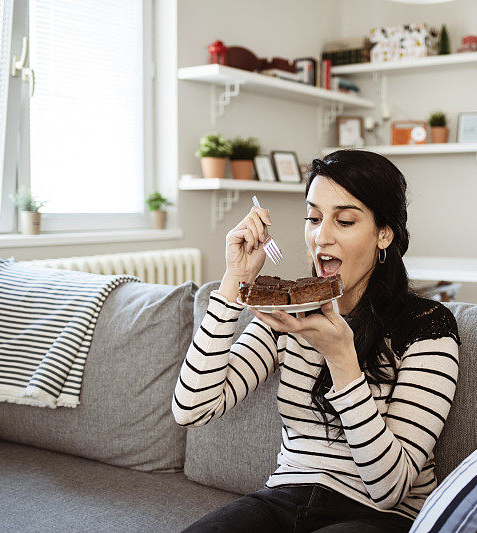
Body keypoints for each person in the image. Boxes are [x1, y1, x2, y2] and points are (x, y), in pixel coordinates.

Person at [173, 149, 461, 533]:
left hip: (378, 517)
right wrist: (232, 283)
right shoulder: (289, 313)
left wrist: (342, 360)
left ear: (384, 233)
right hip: (284, 498)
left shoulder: (427, 326)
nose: (321, 237)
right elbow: (191, 409)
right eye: (313, 218)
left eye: (344, 221)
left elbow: (389, 489)